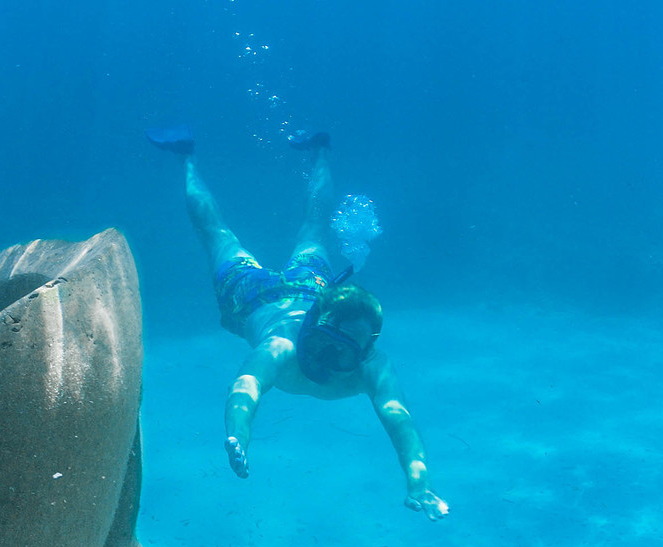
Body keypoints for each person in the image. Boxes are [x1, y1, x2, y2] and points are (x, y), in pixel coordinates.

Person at [148, 126, 448, 517]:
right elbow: (248, 385)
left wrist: (419, 484)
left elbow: (399, 420)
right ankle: (186, 156)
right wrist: (237, 433)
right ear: (312, 325)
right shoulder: (284, 346)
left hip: (311, 290)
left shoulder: (371, 368)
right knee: (217, 233)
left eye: (343, 354)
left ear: (366, 351)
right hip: (255, 295)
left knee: (312, 226)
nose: (324, 360)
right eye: (323, 342)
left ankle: (321, 148)